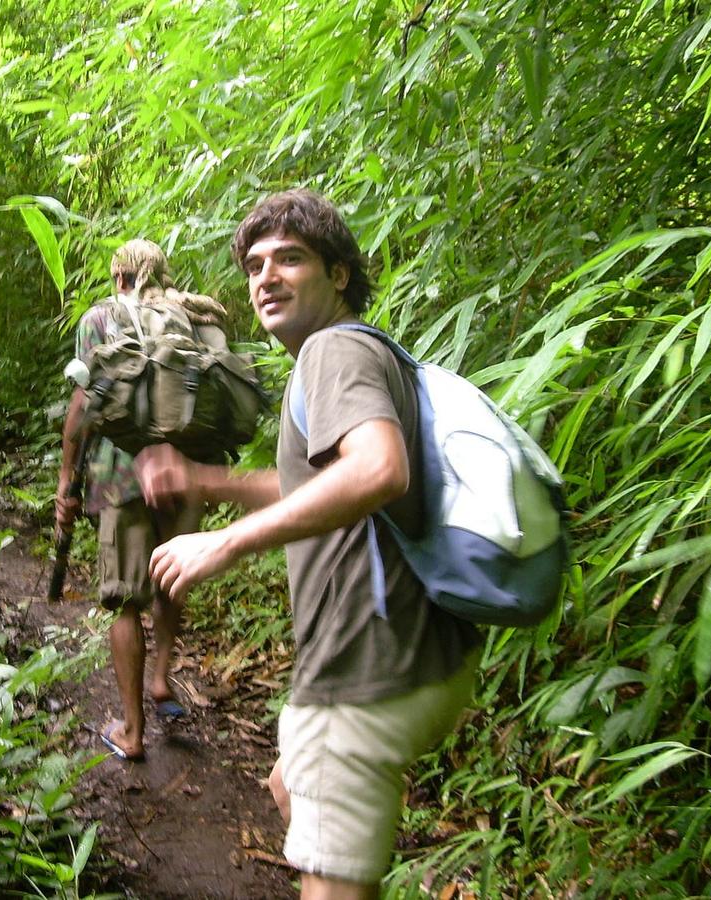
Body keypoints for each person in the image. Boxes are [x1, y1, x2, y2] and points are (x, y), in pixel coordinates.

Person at [134, 189, 482, 899]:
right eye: (256, 264)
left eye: (290, 258)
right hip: (422, 658)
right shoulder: (355, 355)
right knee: (287, 782)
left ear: (339, 273)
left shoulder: (333, 352)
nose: (267, 276)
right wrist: (207, 479)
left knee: (329, 881)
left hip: (364, 669)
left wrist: (225, 543)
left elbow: (377, 471)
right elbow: (317, 483)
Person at [55, 239, 216, 762]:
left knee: (125, 599)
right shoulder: (189, 317)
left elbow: (83, 406)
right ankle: (163, 678)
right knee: (171, 575)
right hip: (185, 470)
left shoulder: (99, 319)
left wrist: (67, 483)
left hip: (120, 473)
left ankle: (131, 730)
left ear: (120, 275)